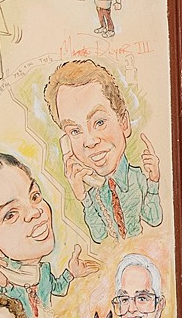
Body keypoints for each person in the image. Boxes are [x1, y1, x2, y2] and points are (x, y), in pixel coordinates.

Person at [43, 56, 161, 242]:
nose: (89, 141)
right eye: (75, 131)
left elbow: (154, 219)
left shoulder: (138, 178)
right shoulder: (95, 193)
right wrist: (82, 196)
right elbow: (99, 236)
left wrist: (153, 182)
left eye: (99, 122)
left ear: (123, 123)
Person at [0, 149, 87, 317]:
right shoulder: (2, 286)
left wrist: (71, 273)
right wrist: (1, 281)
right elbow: (11, 313)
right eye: (10, 214)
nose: (34, 212)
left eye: (34, 196)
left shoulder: (44, 271)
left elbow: (58, 288)